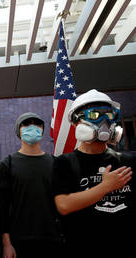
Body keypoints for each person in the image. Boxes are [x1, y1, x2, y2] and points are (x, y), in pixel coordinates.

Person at [52, 89, 134, 257]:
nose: (104, 122)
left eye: (109, 116)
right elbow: (64, 205)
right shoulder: (64, 163)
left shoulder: (127, 162)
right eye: (95, 116)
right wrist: (105, 187)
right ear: (76, 123)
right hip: (81, 248)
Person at [0, 112, 62, 258]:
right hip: (18, 241)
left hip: (52, 239)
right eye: (26, 124)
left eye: (37, 124)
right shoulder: (7, 164)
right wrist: (6, 244)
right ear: (18, 130)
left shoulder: (56, 163)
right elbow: (3, 209)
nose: (32, 127)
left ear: (43, 130)